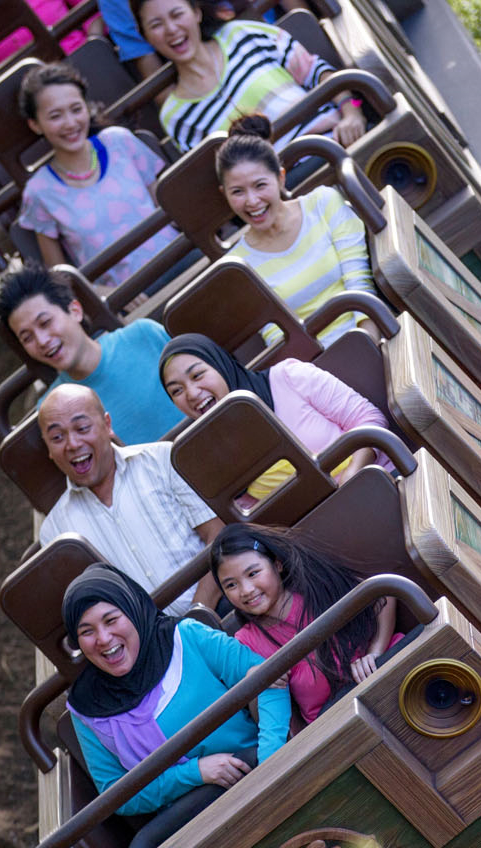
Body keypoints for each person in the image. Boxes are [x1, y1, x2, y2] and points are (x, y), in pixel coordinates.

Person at [63, 564, 290, 848]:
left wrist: (272, 758)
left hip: (259, 775)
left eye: (111, 620)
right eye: (87, 632)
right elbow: (119, 796)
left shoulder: (186, 637)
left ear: (133, 610)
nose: (103, 639)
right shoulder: (87, 708)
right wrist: (196, 772)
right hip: (192, 828)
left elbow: (270, 680)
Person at [37, 384, 226, 615]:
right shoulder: (55, 531)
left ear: (107, 425)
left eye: (83, 428)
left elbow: (216, 533)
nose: (73, 444)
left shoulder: (162, 459)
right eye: (57, 437)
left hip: (221, 603)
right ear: (48, 448)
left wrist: (199, 614)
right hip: (151, 643)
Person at [211, 523, 405, 723]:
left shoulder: (312, 584)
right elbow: (268, 711)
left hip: (383, 675)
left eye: (253, 574)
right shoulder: (245, 641)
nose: (246, 590)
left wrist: (375, 652)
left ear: (276, 564)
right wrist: (258, 680)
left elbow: (384, 596)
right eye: (231, 585)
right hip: (337, 720)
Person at [159, 332, 385, 502]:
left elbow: (370, 420)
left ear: (222, 367)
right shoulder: (212, 459)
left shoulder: (289, 377)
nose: (191, 393)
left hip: (375, 484)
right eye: (176, 391)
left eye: (198, 375)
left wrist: (351, 478)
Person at [217, 115, 377, 346]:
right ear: (225, 195)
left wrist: (367, 345)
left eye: (260, 185)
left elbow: (360, 282)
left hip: (372, 331)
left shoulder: (323, 203)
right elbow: (277, 338)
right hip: (314, 368)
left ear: (280, 178)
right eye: (238, 192)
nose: (252, 201)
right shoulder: (237, 265)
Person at [16, 63, 176, 292]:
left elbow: (169, 209)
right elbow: (60, 276)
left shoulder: (119, 141)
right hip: (127, 297)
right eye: (55, 116)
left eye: (76, 109)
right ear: (35, 124)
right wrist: (105, 295)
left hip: (180, 260)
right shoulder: (39, 191)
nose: (71, 123)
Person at [132, 0, 364, 151]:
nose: (172, 29)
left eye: (177, 15)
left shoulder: (242, 34)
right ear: (147, 38)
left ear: (196, 13)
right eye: (156, 25)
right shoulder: (176, 115)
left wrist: (352, 111)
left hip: (336, 141)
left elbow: (316, 72)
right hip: (286, 187)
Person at [0, 264, 179, 446]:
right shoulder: (53, 407)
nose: (42, 340)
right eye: (27, 338)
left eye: (45, 322)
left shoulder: (143, 335)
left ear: (75, 311)